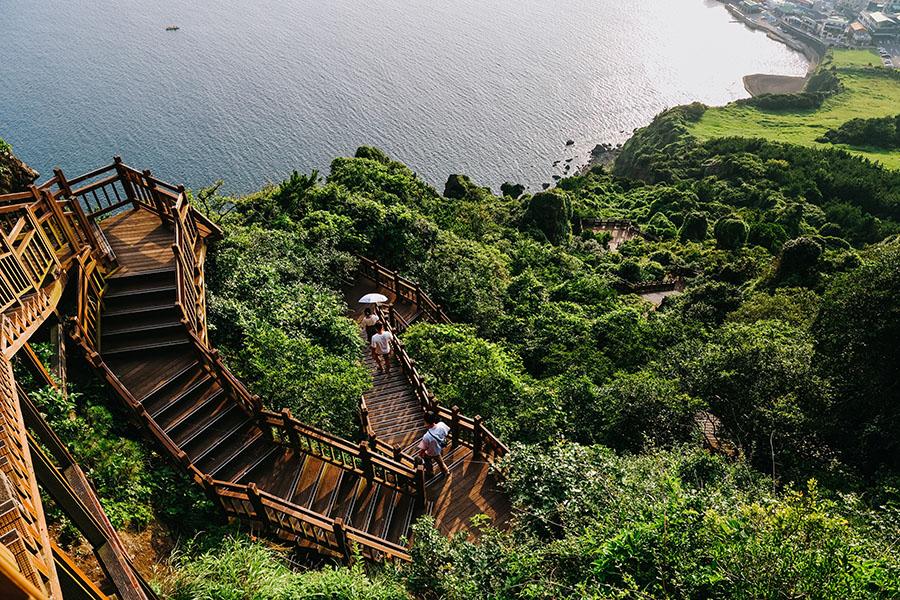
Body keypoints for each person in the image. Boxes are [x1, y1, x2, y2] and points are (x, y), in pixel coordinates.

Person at [418, 411, 450, 477]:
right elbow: (447, 432)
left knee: (427, 461)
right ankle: (446, 471)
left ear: (426, 422)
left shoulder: (427, 436)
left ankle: (430, 473)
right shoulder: (441, 425)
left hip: (430, 453)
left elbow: (423, 448)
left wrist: (420, 455)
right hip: (438, 450)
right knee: (440, 462)